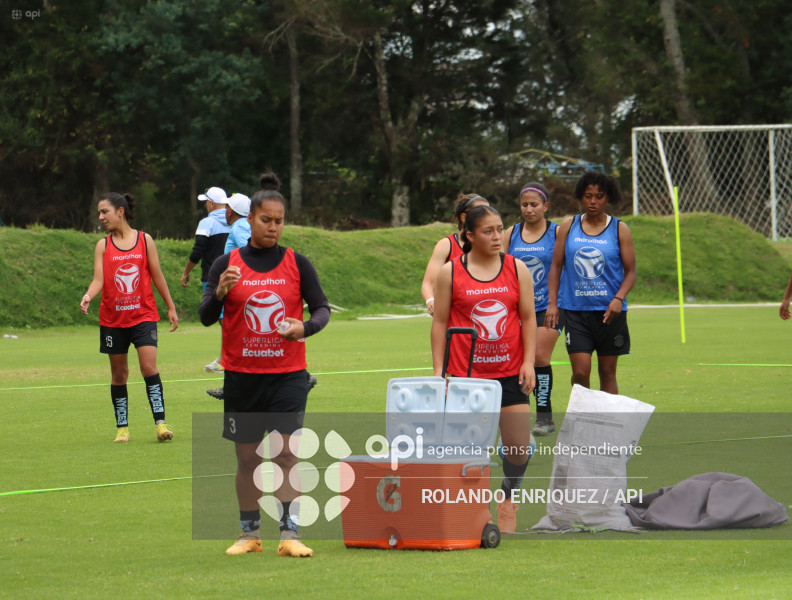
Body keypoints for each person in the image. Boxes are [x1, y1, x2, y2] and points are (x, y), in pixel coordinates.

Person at [199, 185, 331, 557]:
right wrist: (220, 294)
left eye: (279, 221)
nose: (273, 227)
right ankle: (249, 535)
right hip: (241, 378)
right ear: (250, 220)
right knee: (248, 459)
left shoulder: (297, 263)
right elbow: (206, 316)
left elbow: (321, 309)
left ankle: (290, 535)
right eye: (266, 220)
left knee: (287, 456)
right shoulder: (226, 264)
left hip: (288, 375)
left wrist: (303, 327)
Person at [431, 204, 537, 534]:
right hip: (467, 377)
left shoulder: (516, 268)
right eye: (488, 231)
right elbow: (440, 322)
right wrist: (440, 370)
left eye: (500, 229)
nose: (497, 236)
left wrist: (529, 361)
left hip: (509, 374)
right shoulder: (451, 272)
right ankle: (477, 515)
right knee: (470, 453)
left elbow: (529, 318)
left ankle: (507, 497)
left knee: (518, 449)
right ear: (470, 236)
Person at [80, 193, 179, 443]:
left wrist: (170, 306)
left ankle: (161, 424)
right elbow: (98, 280)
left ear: (120, 211)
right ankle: (122, 428)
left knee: (149, 368)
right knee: (119, 375)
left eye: (105, 212)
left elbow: (157, 276)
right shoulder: (103, 245)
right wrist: (88, 295)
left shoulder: (145, 240)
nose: (101, 217)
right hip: (113, 320)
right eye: (99, 213)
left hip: (143, 316)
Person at [545, 171, 636, 395]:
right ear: (581, 197)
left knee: (607, 373)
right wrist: (552, 304)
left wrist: (618, 299)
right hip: (575, 312)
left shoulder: (619, 229)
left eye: (599, 196)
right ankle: (583, 420)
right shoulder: (569, 225)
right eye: (587, 196)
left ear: (608, 198)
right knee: (581, 373)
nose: (593, 201)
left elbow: (631, 272)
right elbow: (556, 267)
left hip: (609, 312)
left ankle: (608, 428)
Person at [504, 182, 563, 436]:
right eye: (524, 204)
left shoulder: (557, 232)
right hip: (519, 308)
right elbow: (502, 269)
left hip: (549, 307)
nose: (529, 209)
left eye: (534, 204)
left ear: (545, 206)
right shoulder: (511, 233)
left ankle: (545, 417)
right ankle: (517, 416)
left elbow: (564, 268)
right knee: (519, 361)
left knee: (539, 357)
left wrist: (555, 303)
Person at [204, 191, 252, 401]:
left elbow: (248, 249)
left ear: (231, 211)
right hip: (244, 290)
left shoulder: (239, 226)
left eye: (228, 207)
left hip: (241, 292)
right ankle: (231, 386)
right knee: (244, 338)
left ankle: (301, 376)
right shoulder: (244, 225)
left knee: (238, 338)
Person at [180, 186, 231, 373]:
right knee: (230, 319)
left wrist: (186, 272)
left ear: (211, 203)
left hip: (213, 278)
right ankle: (226, 359)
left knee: (224, 320)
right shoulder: (234, 220)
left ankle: (226, 360)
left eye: (206, 203)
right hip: (238, 276)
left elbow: (198, 251)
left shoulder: (207, 223)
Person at [421, 193, 490, 316]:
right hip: (455, 318)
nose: (488, 217)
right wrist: (431, 301)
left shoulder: (493, 245)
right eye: (481, 213)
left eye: (489, 212)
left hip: (485, 314)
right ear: (464, 217)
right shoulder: (446, 245)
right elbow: (428, 283)